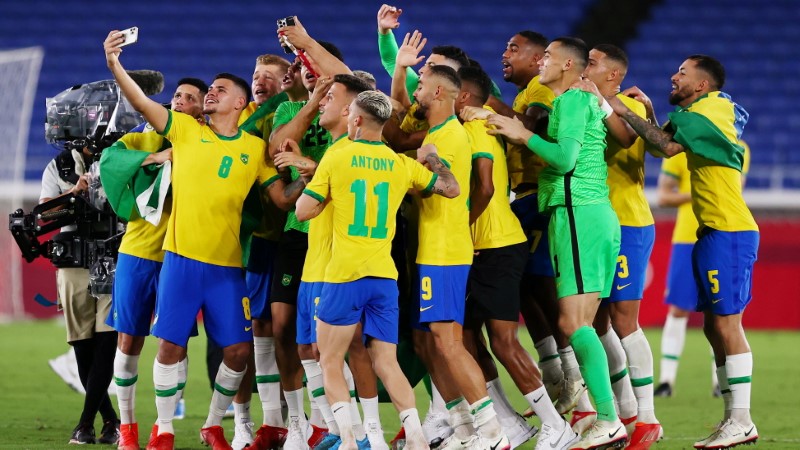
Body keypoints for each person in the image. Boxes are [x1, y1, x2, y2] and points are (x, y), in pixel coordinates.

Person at [103, 30, 308, 450]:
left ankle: (213, 423)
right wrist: (114, 64)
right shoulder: (184, 131)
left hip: (227, 270)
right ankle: (162, 429)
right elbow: (141, 102)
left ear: (239, 103)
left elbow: (281, 201)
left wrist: (309, 180)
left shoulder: (254, 149)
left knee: (237, 353)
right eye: (209, 89)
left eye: (220, 89)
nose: (210, 93)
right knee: (170, 346)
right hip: (180, 262)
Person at [607, 55, 758, 449]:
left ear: (702, 85)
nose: (673, 77)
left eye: (683, 73)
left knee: (728, 325)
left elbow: (665, 146)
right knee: (712, 325)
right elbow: (663, 144)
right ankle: (731, 418)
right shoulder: (702, 111)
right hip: (712, 230)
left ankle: (741, 419)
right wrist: (653, 112)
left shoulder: (712, 108)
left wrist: (620, 106)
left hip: (730, 229)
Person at [295, 89, 460, 450]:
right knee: (387, 362)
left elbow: (302, 212)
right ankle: (416, 435)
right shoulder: (400, 164)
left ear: (354, 119)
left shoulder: (337, 158)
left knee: (330, 361)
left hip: (343, 276)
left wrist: (322, 192)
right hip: (384, 277)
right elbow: (450, 189)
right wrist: (433, 160)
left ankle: (350, 440)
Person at [486, 37, 626, 450]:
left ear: (567, 64)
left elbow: (564, 159)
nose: (542, 61)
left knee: (574, 324)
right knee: (575, 324)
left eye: (547, 55)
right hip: (583, 214)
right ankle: (606, 416)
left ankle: (609, 418)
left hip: (579, 214)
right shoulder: (577, 101)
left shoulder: (570, 101)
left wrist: (519, 133)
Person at [456, 65, 576, 450]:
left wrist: (460, 229)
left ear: (461, 97)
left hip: (496, 245)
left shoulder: (477, 129)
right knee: (464, 337)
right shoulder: (473, 127)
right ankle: (508, 421)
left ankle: (556, 426)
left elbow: (487, 187)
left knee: (504, 342)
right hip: (485, 245)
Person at [99, 77, 208, 450]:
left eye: (190, 98)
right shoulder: (142, 137)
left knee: (174, 344)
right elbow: (109, 161)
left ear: (202, 109)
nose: (179, 101)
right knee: (129, 340)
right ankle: (127, 431)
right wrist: (156, 157)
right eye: (177, 95)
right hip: (138, 253)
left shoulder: (204, 144)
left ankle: (163, 428)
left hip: (182, 257)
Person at [267, 17, 352, 450]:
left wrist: (307, 164)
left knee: (332, 335)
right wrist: (310, 102)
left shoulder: (352, 113)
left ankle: (334, 424)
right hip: (297, 229)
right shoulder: (290, 109)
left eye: (316, 68)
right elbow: (276, 148)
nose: (310, 74)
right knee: (286, 327)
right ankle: (300, 424)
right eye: (303, 68)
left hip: (335, 233)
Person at [574, 43, 664, 447]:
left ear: (613, 74)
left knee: (625, 320)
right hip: (599, 222)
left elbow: (627, 140)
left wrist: (604, 102)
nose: (584, 66)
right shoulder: (590, 101)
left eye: (592, 63)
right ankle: (625, 410)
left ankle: (647, 418)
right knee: (597, 323)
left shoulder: (630, 106)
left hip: (627, 221)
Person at [228, 53, 292, 450]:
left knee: (278, 332)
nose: (260, 81)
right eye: (256, 75)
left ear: (286, 82)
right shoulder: (239, 118)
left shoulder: (286, 112)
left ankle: (277, 421)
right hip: (249, 242)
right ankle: (242, 422)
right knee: (245, 333)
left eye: (270, 76)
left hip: (286, 237)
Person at [655, 141, 750, 400]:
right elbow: (663, 196)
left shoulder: (738, 147)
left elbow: (735, 191)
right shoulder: (679, 149)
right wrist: (700, 192)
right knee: (678, 308)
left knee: (721, 310)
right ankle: (666, 380)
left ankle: (719, 382)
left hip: (720, 234)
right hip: (686, 236)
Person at [40, 145, 120, 446]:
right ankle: (111, 420)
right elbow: (45, 213)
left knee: (107, 341)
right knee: (83, 346)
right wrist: (73, 193)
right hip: (73, 259)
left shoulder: (124, 151)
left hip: (114, 254)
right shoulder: (59, 165)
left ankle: (85, 423)